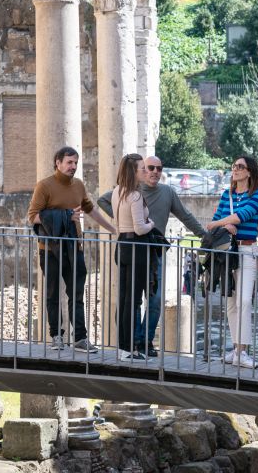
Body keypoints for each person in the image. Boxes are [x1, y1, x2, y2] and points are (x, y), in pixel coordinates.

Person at [98, 155, 206, 357]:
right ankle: (136, 342)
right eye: (150, 168)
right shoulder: (131, 192)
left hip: (154, 251)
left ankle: (144, 340)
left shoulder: (167, 192)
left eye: (159, 168)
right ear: (141, 170)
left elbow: (186, 216)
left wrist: (204, 236)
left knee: (155, 300)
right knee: (133, 298)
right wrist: (124, 220)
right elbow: (103, 200)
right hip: (137, 248)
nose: (155, 171)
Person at [28, 146, 116, 353]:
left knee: (76, 293)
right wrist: (67, 216)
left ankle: (80, 338)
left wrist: (113, 229)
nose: (73, 166)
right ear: (57, 163)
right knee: (52, 294)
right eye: (69, 162)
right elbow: (33, 216)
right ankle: (56, 336)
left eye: (75, 162)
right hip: (49, 249)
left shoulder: (78, 185)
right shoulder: (44, 186)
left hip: (74, 246)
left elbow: (90, 208)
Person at [206, 156, 258, 369]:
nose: (236, 169)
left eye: (241, 167)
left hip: (247, 250)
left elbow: (242, 216)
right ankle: (236, 349)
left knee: (244, 301)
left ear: (250, 172)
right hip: (228, 253)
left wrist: (221, 222)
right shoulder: (226, 195)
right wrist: (224, 225)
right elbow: (218, 226)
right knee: (231, 302)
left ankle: (243, 352)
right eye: (234, 166)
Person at [109, 153, 160, 360]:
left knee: (124, 299)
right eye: (142, 168)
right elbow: (140, 228)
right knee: (133, 300)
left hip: (121, 245)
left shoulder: (116, 192)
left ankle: (123, 348)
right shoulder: (135, 195)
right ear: (134, 171)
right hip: (137, 247)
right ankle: (129, 349)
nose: (146, 171)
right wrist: (152, 224)